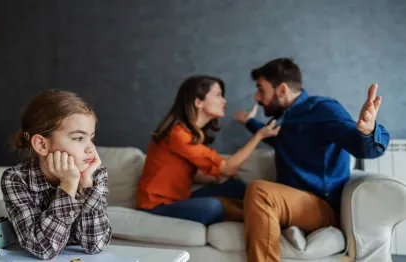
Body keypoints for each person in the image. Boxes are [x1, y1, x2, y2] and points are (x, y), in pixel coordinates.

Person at [233, 58, 390, 262]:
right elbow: (276, 139)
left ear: (282, 89)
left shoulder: (321, 109)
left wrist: (368, 132)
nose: (257, 97)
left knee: (259, 191)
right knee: (222, 201)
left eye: (261, 90)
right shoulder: (285, 120)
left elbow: (358, 144)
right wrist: (248, 122)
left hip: (320, 206)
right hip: (289, 203)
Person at [136, 75, 280, 225]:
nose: (224, 101)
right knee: (212, 207)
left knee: (235, 187)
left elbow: (193, 173)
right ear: (198, 102)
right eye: (218, 95)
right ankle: (260, 216)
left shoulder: (191, 135)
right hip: (156, 207)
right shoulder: (178, 135)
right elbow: (226, 168)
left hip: (180, 201)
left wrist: (218, 175)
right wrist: (259, 136)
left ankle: (258, 212)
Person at [1, 90, 112, 260]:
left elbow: (96, 245)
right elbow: (42, 249)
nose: (91, 148)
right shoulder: (17, 179)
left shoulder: (94, 175)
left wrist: (87, 183)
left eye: (92, 138)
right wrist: (68, 185)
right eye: (78, 138)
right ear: (41, 145)